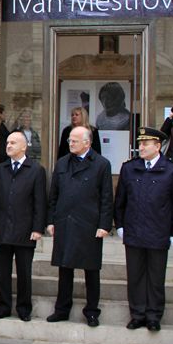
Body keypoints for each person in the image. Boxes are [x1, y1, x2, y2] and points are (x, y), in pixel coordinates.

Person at [114, 127, 173, 331]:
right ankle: (137, 314)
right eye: (140, 143)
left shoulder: (172, 170)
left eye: (146, 144)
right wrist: (119, 225)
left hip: (158, 232)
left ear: (158, 146)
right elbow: (120, 200)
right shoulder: (130, 168)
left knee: (155, 278)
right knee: (135, 276)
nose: (141, 147)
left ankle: (154, 315)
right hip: (134, 231)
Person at [46, 125, 113, 326]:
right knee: (64, 269)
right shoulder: (62, 163)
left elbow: (107, 197)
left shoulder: (101, 164)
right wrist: (50, 220)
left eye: (74, 140)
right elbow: (53, 195)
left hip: (89, 224)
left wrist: (104, 224)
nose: (70, 143)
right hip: (65, 221)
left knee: (91, 270)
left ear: (87, 142)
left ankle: (92, 311)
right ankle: (62, 309)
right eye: (69, 140)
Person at [0, 131, 47, 321]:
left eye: (13, 143)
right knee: (2, 272)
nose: (8, 145)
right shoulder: (1, 169)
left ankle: (24, 308)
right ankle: (4, 306)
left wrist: (38, 228)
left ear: (24, 147)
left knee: (24, 272)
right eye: (7, 142)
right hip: (3, 228)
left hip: (25, 230)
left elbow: (40, 202)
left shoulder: (36, 170)